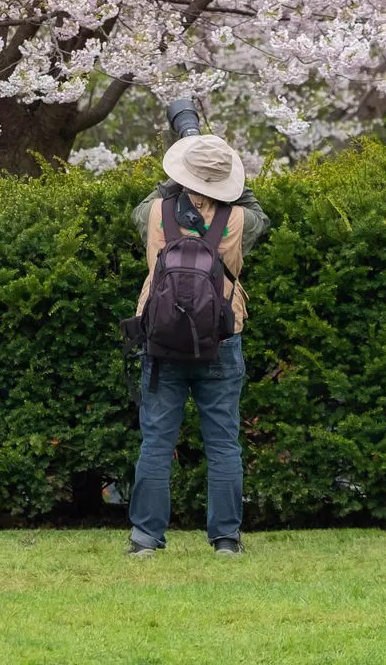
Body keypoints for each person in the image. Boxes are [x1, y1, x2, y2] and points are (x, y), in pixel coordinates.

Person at [126, 132, 267, 557]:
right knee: (223, 441)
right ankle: (225, 540)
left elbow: (151, 199)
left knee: (156, 440)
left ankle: (145, 539)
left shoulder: (153, 212)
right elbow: (255, 206)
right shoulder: (242, 221)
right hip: (221, 336)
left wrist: (179, 167)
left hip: (161, 336)